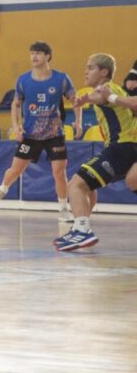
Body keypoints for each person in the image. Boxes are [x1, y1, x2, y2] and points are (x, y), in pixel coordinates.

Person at [0, 42, 82, 221]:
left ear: (48, 56)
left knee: (59, 172)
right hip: (30, 135)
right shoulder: (23, 80)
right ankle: (1, 190)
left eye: (38, 53)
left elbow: (75, 100)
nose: (34, 57)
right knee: (15, 170)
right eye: (31, 54)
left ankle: (63, 208)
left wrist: (78, 121)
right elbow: (15, 104)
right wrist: (16, 127)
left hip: (55, 134)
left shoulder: (61, 78)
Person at [54, 54, 137, 251]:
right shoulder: (114, 89)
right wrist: (85, 99)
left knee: (76, 184)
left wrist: (87, 98)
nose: (85, 71)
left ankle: (82, 230)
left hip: (121, 148)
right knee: (120, 182)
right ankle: (79, 228)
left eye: (90, 68)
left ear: (104, 72)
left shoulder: (105, 90)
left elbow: (100, 96)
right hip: (126, 148)